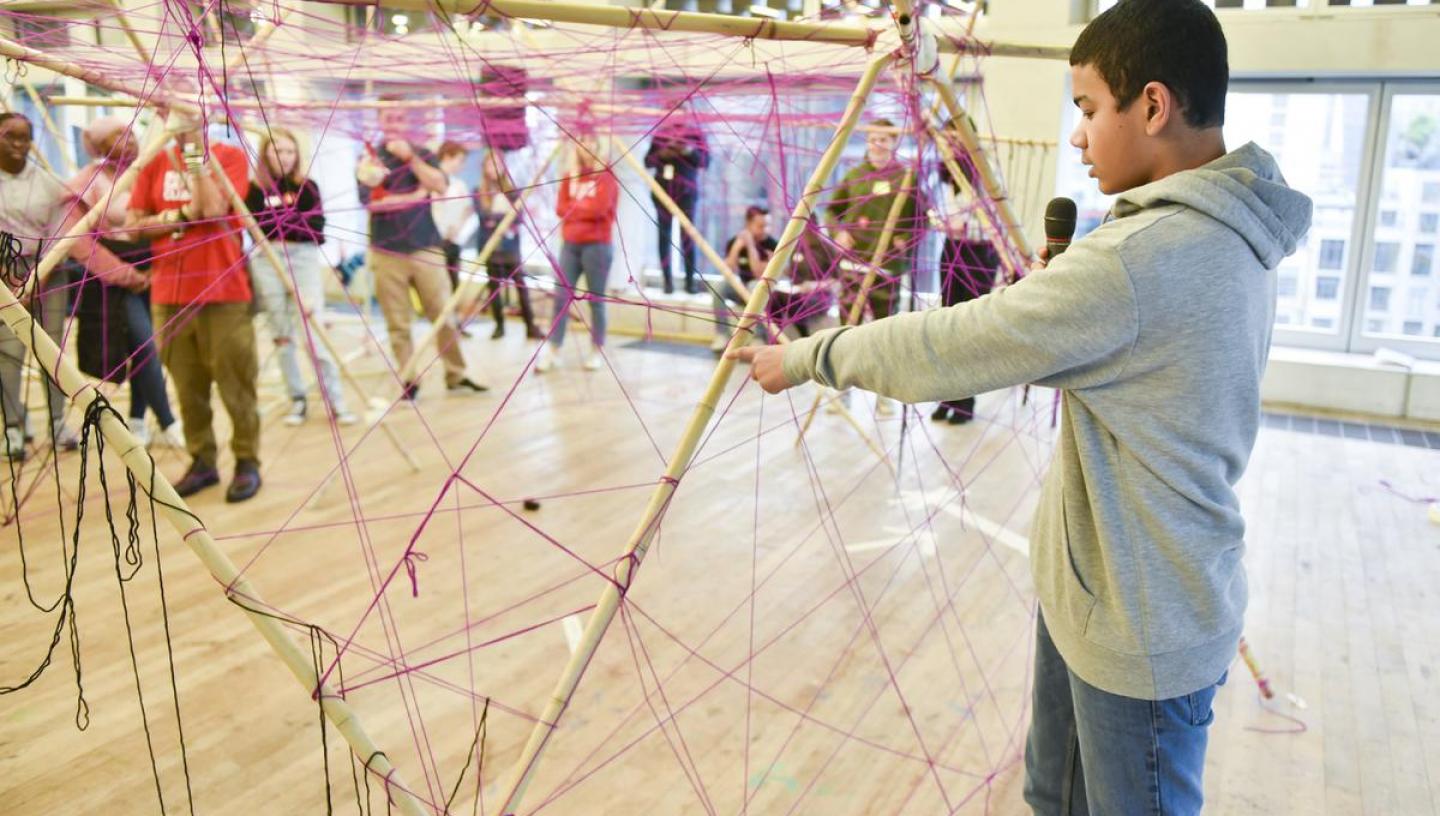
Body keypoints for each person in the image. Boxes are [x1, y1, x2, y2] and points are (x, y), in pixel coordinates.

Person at [732, 1, 1313, 812]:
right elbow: (1132, 372)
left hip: (1140, 622)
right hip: (1103, 594)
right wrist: (1060, 327)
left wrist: (805, 356)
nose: (1076, 136)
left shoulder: (1143, 258)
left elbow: (951, 346)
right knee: (1053, 797)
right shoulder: (1230, 226)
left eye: (1086, 110)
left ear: (1152, 105)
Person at [127, 109, 264, 502]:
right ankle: (202, 460)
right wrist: (178, 216)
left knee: (236, 382)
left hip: (224, 292)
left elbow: (212, 209)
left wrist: (195, 161)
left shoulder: (230, 157)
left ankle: (246, 461)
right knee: (188, 386)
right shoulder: (153, 162)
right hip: (169, 294)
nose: (181, 118)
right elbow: (134, 223)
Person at [0, 112, 148, 461]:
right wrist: (9, 272)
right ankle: (13, 427)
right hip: (5, 278)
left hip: (50, 271)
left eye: (25, 137)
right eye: (10, 137)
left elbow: (61, 232)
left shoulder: (49, 183)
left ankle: (56, 422)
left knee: (51, 352)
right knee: (9, 353)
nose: (19, 144)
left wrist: (42, 271)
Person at [65, 115, 183, 449]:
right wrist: (126, 275)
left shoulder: (149, 172)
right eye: (118, 136)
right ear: (100, 146)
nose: (127, 140)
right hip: (113, 278)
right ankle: (168, 420)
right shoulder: (85, 183)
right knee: (144, 347)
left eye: (130, 134)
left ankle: (137, 420)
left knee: (147, 347)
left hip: (154, 270)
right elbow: (79, 243)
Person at [357, 104, 487, 401]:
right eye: (388, 117)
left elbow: (439, 185)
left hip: (426, 247)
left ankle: (456, 373)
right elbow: (372, 204)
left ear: (407, 121)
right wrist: (414, 196)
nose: (394, 122)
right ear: (379, 121)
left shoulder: (423, 154)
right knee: (398, 322)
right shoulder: (368, 158)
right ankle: (408, 378)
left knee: (443, 316)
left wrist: (410, 158)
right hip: (386, 251)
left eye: (400, 117)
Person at [246, 126, 357, 428]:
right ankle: (297, 400)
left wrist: (283, 224)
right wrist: (288, 222)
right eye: (277, 150)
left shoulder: (308, 187)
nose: (283, 156)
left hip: (303, 259)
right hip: (267, 260)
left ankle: (336, 401)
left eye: (289, 151)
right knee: (281, 336)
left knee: (313, 331)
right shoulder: (254, 189)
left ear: (297, 155)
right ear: (266, 153)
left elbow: (317, 228)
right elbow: (255, 227)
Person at [823, 117, 920, 416]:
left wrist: (905, 239)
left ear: (893, 144)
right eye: (873, 139)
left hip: (886, 268)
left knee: (882, 334)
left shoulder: (906, 178)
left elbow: (921, 219)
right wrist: (837, 231)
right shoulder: (854, 175)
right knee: (845, 331)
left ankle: (883, 396)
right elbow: (831, 211)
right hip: (853, 266)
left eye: (884, 139)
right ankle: (841, 394)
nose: (878, 144)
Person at [931, 139, 1002, 426]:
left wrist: (965, 224)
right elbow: (941, 211)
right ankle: (947, 397)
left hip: (979, 251)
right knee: (947, 325)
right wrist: (942, 222)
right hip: (952, 247)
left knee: (969, 329)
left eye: (955, 138)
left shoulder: (987, 170)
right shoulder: (946, 174)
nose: (950, 146)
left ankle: (965, 402)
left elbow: (994, 217)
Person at [537, 140, 618, 374]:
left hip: (598, 246)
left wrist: (576, 208)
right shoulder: (569, 177)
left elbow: (600, 209)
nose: (586, 147)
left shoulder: (606, 176)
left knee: (596, 301)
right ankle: (553, 350)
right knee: (561, 298)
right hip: (570, 244)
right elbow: (560, 208)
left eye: (589, 141)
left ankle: (596, 350)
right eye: (581, 142)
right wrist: (582, 208)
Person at [475, 149, 539, 340]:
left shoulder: (512, 192)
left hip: (510, 248)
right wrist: (501, 219)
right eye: (490, 163)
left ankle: (530, 325)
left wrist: (498, 220)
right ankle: (499, 326)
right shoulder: (480, 192)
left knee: (521, 286)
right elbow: (483, 217)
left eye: (498, 163)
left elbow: (518, 217)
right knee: (494, 288)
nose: (494, 168)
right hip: (491, 247)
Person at [644, 110, 708, 294]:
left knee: (687, 237)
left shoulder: (696, 134)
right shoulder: (660, 134)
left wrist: (687, 150)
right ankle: (667, 282)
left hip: (686, 194)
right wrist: (663, 154)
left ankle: (690, 282)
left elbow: (705, 161)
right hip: (663, 193)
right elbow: (648, 161)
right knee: (663, 237)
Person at [710, 205, 778, 353]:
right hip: (742, 289)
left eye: (768, 226)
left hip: (765, 292)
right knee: (717, 286)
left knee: (756, 286)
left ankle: (758, 337)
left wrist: (750, 246)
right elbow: (728, 270)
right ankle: (722, 335)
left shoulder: (773, 245)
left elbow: (759, 274)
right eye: (761, 226)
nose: (765, 230)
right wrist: (737, 247)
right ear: (748, 225)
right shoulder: (735, 241)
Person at [431, 140, 474, 294]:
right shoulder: (430, 179)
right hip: (433, 241)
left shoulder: (459, 185)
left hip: (452, 241)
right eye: (460, 160)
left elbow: (467, 210)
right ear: (447, 157)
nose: (462, 166)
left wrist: (457, 229)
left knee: (452, 283)